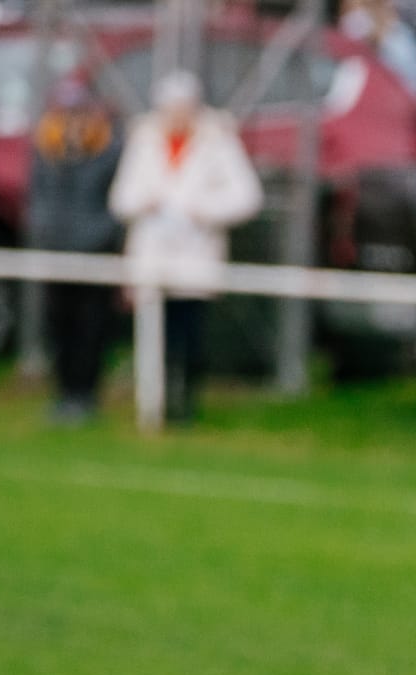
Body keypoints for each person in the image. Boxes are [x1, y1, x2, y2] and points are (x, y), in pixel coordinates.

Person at [109, 72, 262, 425]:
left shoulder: (218, 139)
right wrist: (146, 202)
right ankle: (154, 403)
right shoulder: (145, 139)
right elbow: (121, 198)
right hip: (153, 254)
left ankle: (185, 403)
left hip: (196, 255)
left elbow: (246, 197)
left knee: (189, 334)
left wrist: (203, 210)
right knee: (154, 334)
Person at [28, 78, 123, 423]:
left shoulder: (109, 146)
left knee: (91, 325)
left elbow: (116, 202)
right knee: (59, 324)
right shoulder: (45, 145)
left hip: (95, 251)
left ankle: (85, 394)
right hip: (55, 250)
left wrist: (97, 236)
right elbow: (37, 197)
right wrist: (45, 231)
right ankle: (64, 392)